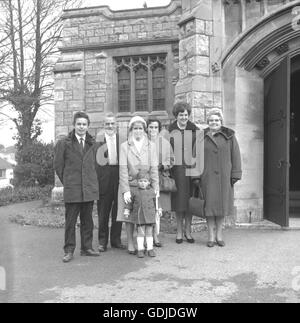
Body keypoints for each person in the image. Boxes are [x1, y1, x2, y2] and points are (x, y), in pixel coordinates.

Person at [54, 111, 100, 263]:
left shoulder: (93, 144)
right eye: (79, 124)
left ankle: (86, 248)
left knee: (88, 221)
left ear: (88, 126)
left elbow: (96, 166)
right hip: (72, 189)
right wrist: (68, 182)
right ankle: (68, 250)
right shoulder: (64, 143)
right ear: (74, 125)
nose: (81, 127)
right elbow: (59, 166)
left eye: (84, 124)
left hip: (88, 189)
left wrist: (90, 182)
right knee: (70, 222)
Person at [193, 108, 242, 247]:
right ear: (207, 122)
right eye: (211, 120)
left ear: (221, 121)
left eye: (217, 120)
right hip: (206, 177)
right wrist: (195, 176)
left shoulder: (230, 136)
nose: (214, 122)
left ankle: (219, 235)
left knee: (221, 208)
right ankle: (210, 236)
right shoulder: (201, 136)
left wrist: (235, 174)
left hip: (224, 178)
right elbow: (195, 157)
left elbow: (236, 156)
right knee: (209, 208)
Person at [117, 116, 159, 255]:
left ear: (144, 130)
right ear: (131, 130)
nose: (138, 131)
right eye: (135, 128)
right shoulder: (124, 146)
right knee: (129, 216)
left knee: (146, 213)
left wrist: (155, 187)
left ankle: (147, 242)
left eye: (140, 128)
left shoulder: (151, 145)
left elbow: (154, 168)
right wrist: (125, 190)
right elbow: (123, 169)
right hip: (130, 185)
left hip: (146, 186)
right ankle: (130, 242)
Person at [95, 113, 125, 252]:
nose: (110, 126)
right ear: (104, 125)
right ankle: (102, 242)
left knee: (118, 211)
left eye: (112, 123)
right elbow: (95, 163)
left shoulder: (122, 140)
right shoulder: (99, 141)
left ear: (116, 124)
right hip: (104, 179)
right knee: (103, 211)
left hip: (118, 176)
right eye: (107, 124)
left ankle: (116, 240)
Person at [169, 102, 198, 244]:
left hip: (191, 171)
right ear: (176, 115)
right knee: (179, 202)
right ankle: (179, 231)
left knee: (190, 202)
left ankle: (188, 231)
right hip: (177, 170)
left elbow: (199, 151)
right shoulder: (169, 131)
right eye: (181, 115)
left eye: (186, 115)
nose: (184, 117)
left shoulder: (195, 130)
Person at [147, 118, 175, 247]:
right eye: (150, 127)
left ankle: (155, 236)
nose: (153, 130)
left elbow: (171, 160)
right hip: (145, 179)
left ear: (159, 129)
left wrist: (162, 165)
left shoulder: (164, 143)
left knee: (157, 208)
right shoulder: (142, 142)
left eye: (155, 128)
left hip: (159, 178)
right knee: (147, 208)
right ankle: (147, 235)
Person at [124, 171, 161, 258]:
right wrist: (127, 210)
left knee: (149, 232)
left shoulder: (152, 191)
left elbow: (156, 201)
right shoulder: (134, 192)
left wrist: (159, 209)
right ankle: (140, 249)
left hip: (150, 215)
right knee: (140, 232)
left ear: (149, 182)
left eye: (145, 181)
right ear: (137, 182)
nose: (142, 183)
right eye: (140, 181)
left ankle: (150, 249)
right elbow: (130, 203)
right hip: (139, 216)